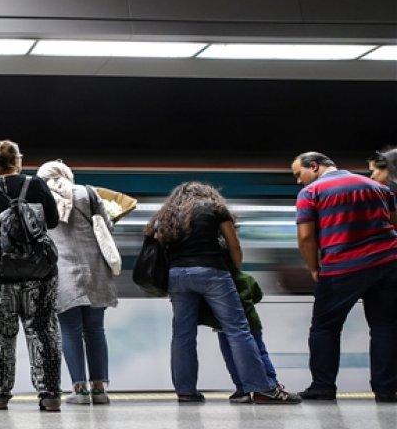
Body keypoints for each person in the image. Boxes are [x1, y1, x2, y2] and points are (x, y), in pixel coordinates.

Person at [150, 181, 299, 404]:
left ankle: (186, 391)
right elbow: (233, 245)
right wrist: (235, 271)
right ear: (208, 193)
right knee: (238, 330)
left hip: (177, 276)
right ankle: (261, 388)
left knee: (183, 335)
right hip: (212, 272)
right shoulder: (215, 208)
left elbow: (157, 242)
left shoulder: (168, 213)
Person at [292, 152, 397, 403]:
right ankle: (386, 390)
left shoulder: (311, 193)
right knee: (385, 328)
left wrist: (314, 268)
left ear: (314, 166)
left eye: (299, 174)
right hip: (387, 264)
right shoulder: (379, 188)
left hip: (341, 268)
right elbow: (393, 224)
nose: (298, 181)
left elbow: (306, 238)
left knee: (325, 328)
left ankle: (323, 387)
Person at [0, 141, 63, 412]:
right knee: (44, 331)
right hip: (41, 275)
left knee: (2, 334)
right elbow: (53, 221)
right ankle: (50, 395)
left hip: (0, 277)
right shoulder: (36, 186)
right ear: (18, 160)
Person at [37, 160, 117, 405]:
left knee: (70, 330)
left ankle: (79, 390)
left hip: (62, 272)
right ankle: (100, 389)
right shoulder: (88, 192)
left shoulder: (40, 200)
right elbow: (107, 227)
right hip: (94, 269)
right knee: (95, 330)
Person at [199, 269, 279, 403]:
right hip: (251, 323)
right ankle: (271, 384)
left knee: (231, 357)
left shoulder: (214, 281)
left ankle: (242, 390)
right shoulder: (246, 278)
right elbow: (258, 296)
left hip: (223, 326)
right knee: (260, 353)